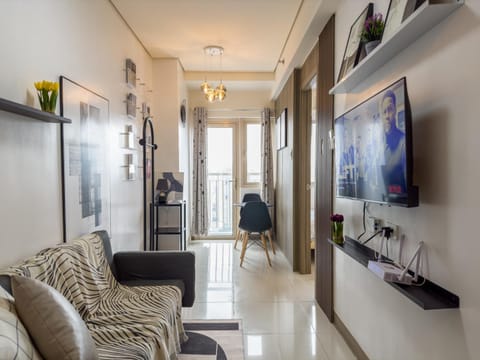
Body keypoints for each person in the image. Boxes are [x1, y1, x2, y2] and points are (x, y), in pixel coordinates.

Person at [381, 90, 407, 196]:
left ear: (395, 110)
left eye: (390, 110)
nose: (387, 116)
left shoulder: (403, 142)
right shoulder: (379, 144)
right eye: (384, 112)